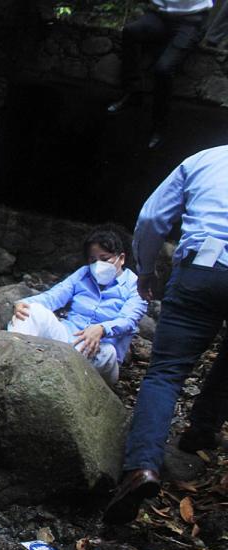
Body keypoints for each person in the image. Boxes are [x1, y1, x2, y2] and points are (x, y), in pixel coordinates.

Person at [103, 145, 228, 525]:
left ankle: (141, 468)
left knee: (166, 373)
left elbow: (153, 217)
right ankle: (201, 431)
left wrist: (145, 269)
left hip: (204, 268)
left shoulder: (205, 159)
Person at [8, 228, 147, 385]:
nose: (98, 265)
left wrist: (102, 329)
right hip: (66, 338)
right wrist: (24, 303)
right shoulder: (84, 273)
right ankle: (13, 363)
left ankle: (52, 372)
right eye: (93, 260)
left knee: (108, 353)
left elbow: (128, 321)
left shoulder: (136, 286)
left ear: (121, 259)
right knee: (31, 311)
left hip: (98, 351)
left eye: (105, 258)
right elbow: (53, 297)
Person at [106, 0, 213, 149]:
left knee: (163, 69)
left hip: (191, 21)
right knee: (131, 32)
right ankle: (133, 92)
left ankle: (159, 125)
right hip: (161, 16)